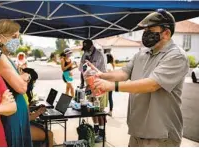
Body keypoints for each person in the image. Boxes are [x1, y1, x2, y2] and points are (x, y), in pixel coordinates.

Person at [89, 9, 189, 147]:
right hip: (137, 132)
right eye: (145, 30)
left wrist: (112, 86)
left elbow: (152, 84)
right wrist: (102, 75)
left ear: (166, 33)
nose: (146, 33)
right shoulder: (142, 54)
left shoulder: (176, 56)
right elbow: (124, 73)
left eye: (151, 29)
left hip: (161, 135)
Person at [0, 19, 32, 147]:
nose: (17, 40)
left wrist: (21, 78)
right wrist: (26, 76)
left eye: (18, 37)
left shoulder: (2, 56)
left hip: (13, 110)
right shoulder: (0, 58)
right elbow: (21, 87)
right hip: (12, 114)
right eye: (14, 36)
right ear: (1, 37)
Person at [79, 39, 107, 143]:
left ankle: (102, 133)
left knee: (99, 111)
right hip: (89, 87)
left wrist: (96, 87)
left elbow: (103, 73)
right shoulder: (84, 55)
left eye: (87, 49)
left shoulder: (100, 56)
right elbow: (81, 71)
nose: (86, 51)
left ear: (92, 47)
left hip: (99, 86)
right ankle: (95, 129)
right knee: (91, 109)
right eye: (84, 49)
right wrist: (83, 84)